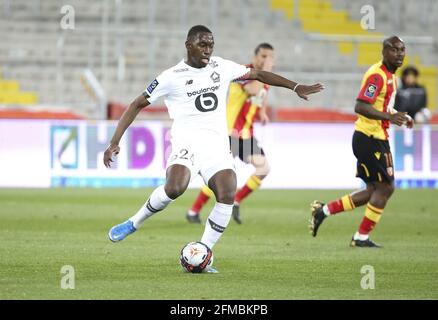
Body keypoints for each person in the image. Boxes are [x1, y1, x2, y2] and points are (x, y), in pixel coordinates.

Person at [103, 25, 324, 272]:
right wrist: (114, 142)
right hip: (186, 144)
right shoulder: (171, 76)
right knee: (175, 188)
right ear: (188, 45)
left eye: (211, 44)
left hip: (217, 147)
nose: (208, 50)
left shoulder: (222, 66)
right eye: (202, 44)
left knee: (228, 191)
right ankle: (134, 222)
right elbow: (136, 104)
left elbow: (259, 75)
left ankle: (203, 251)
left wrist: (296, 87)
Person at [309, 36, 413, 248]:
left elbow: (380, 106)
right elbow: (361, 106)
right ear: (384, 51)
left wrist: (398, 115)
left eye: (402, 49)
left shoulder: (390, 77)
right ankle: (361, 237)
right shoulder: (377, 76)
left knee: (373, 190)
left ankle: (324, 211)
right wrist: (389, 118)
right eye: (394, 50)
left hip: (374, 137)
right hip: (370, 138)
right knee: (385, 188)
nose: (400, 53)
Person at [186, 43, 274, 225]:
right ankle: (193, 211)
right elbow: (253, 90)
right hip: (229, 133)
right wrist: (267, 73)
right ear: (255, 56)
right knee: (219, 176)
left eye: (270, 57)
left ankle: (236, 200)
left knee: (263, 168)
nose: (266, 60)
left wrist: (263, 112)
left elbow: (262, 95)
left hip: (246, 135)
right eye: (263, 56)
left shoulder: (264, 80)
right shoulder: (243, 72)